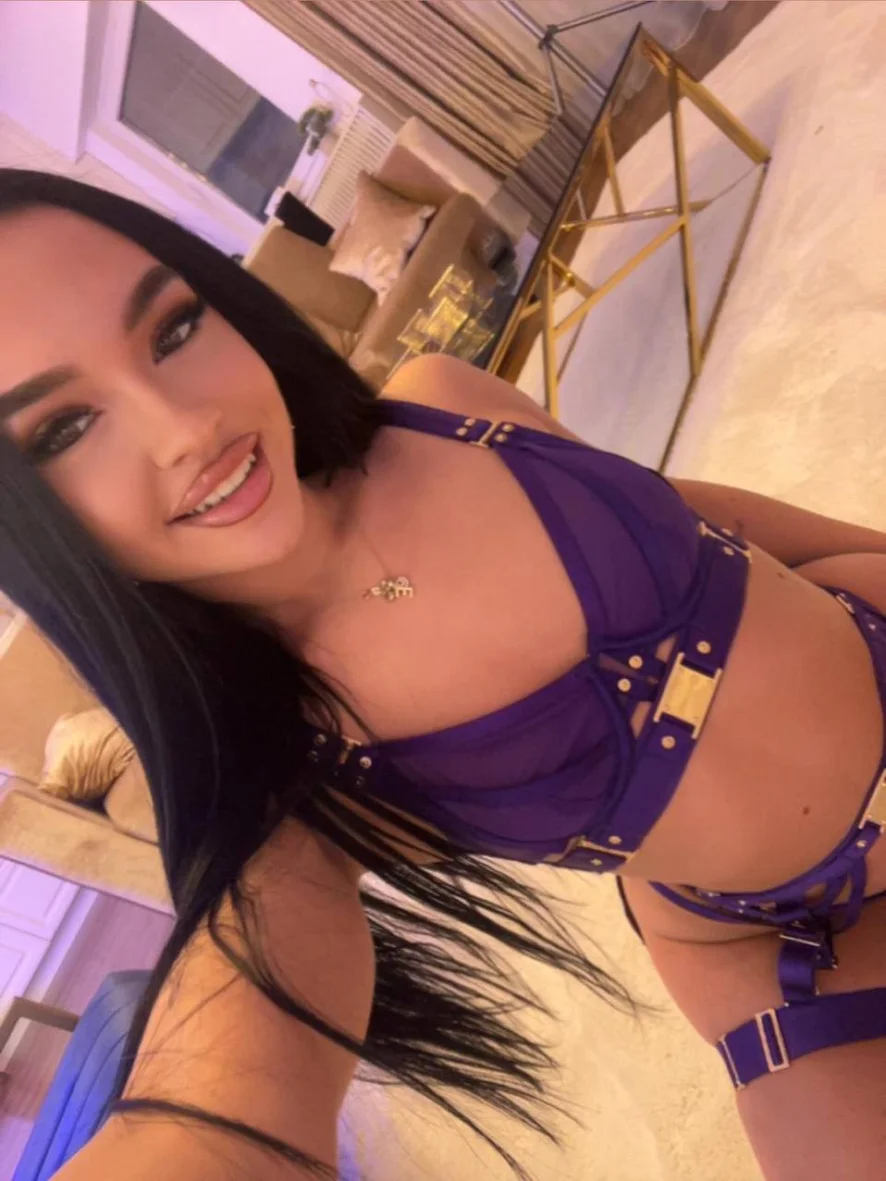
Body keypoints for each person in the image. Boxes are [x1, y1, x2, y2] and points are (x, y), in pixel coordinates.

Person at [1, 170, 886, 1181]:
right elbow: (212, 1122)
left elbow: (694, 519)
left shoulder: (443, 406)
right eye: (63, 430)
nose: (184, 428)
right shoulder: (294, 772)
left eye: (172, 328)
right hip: (782, 932)